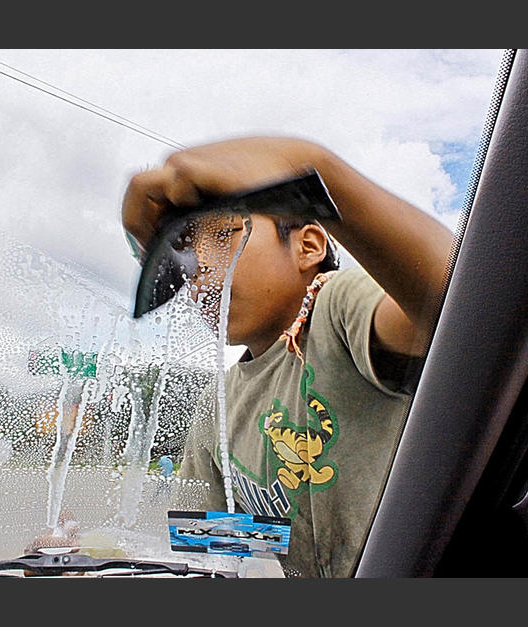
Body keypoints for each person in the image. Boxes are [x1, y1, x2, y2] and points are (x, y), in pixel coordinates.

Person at [121, 136, 454, 578]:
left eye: (224, 233)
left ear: (309, 246)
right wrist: (102, 554)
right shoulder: (217, 404)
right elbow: (214, 544)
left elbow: (460, 304)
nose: (198, 266)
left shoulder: (338, 307)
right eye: (183, 255)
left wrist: (314, 170)